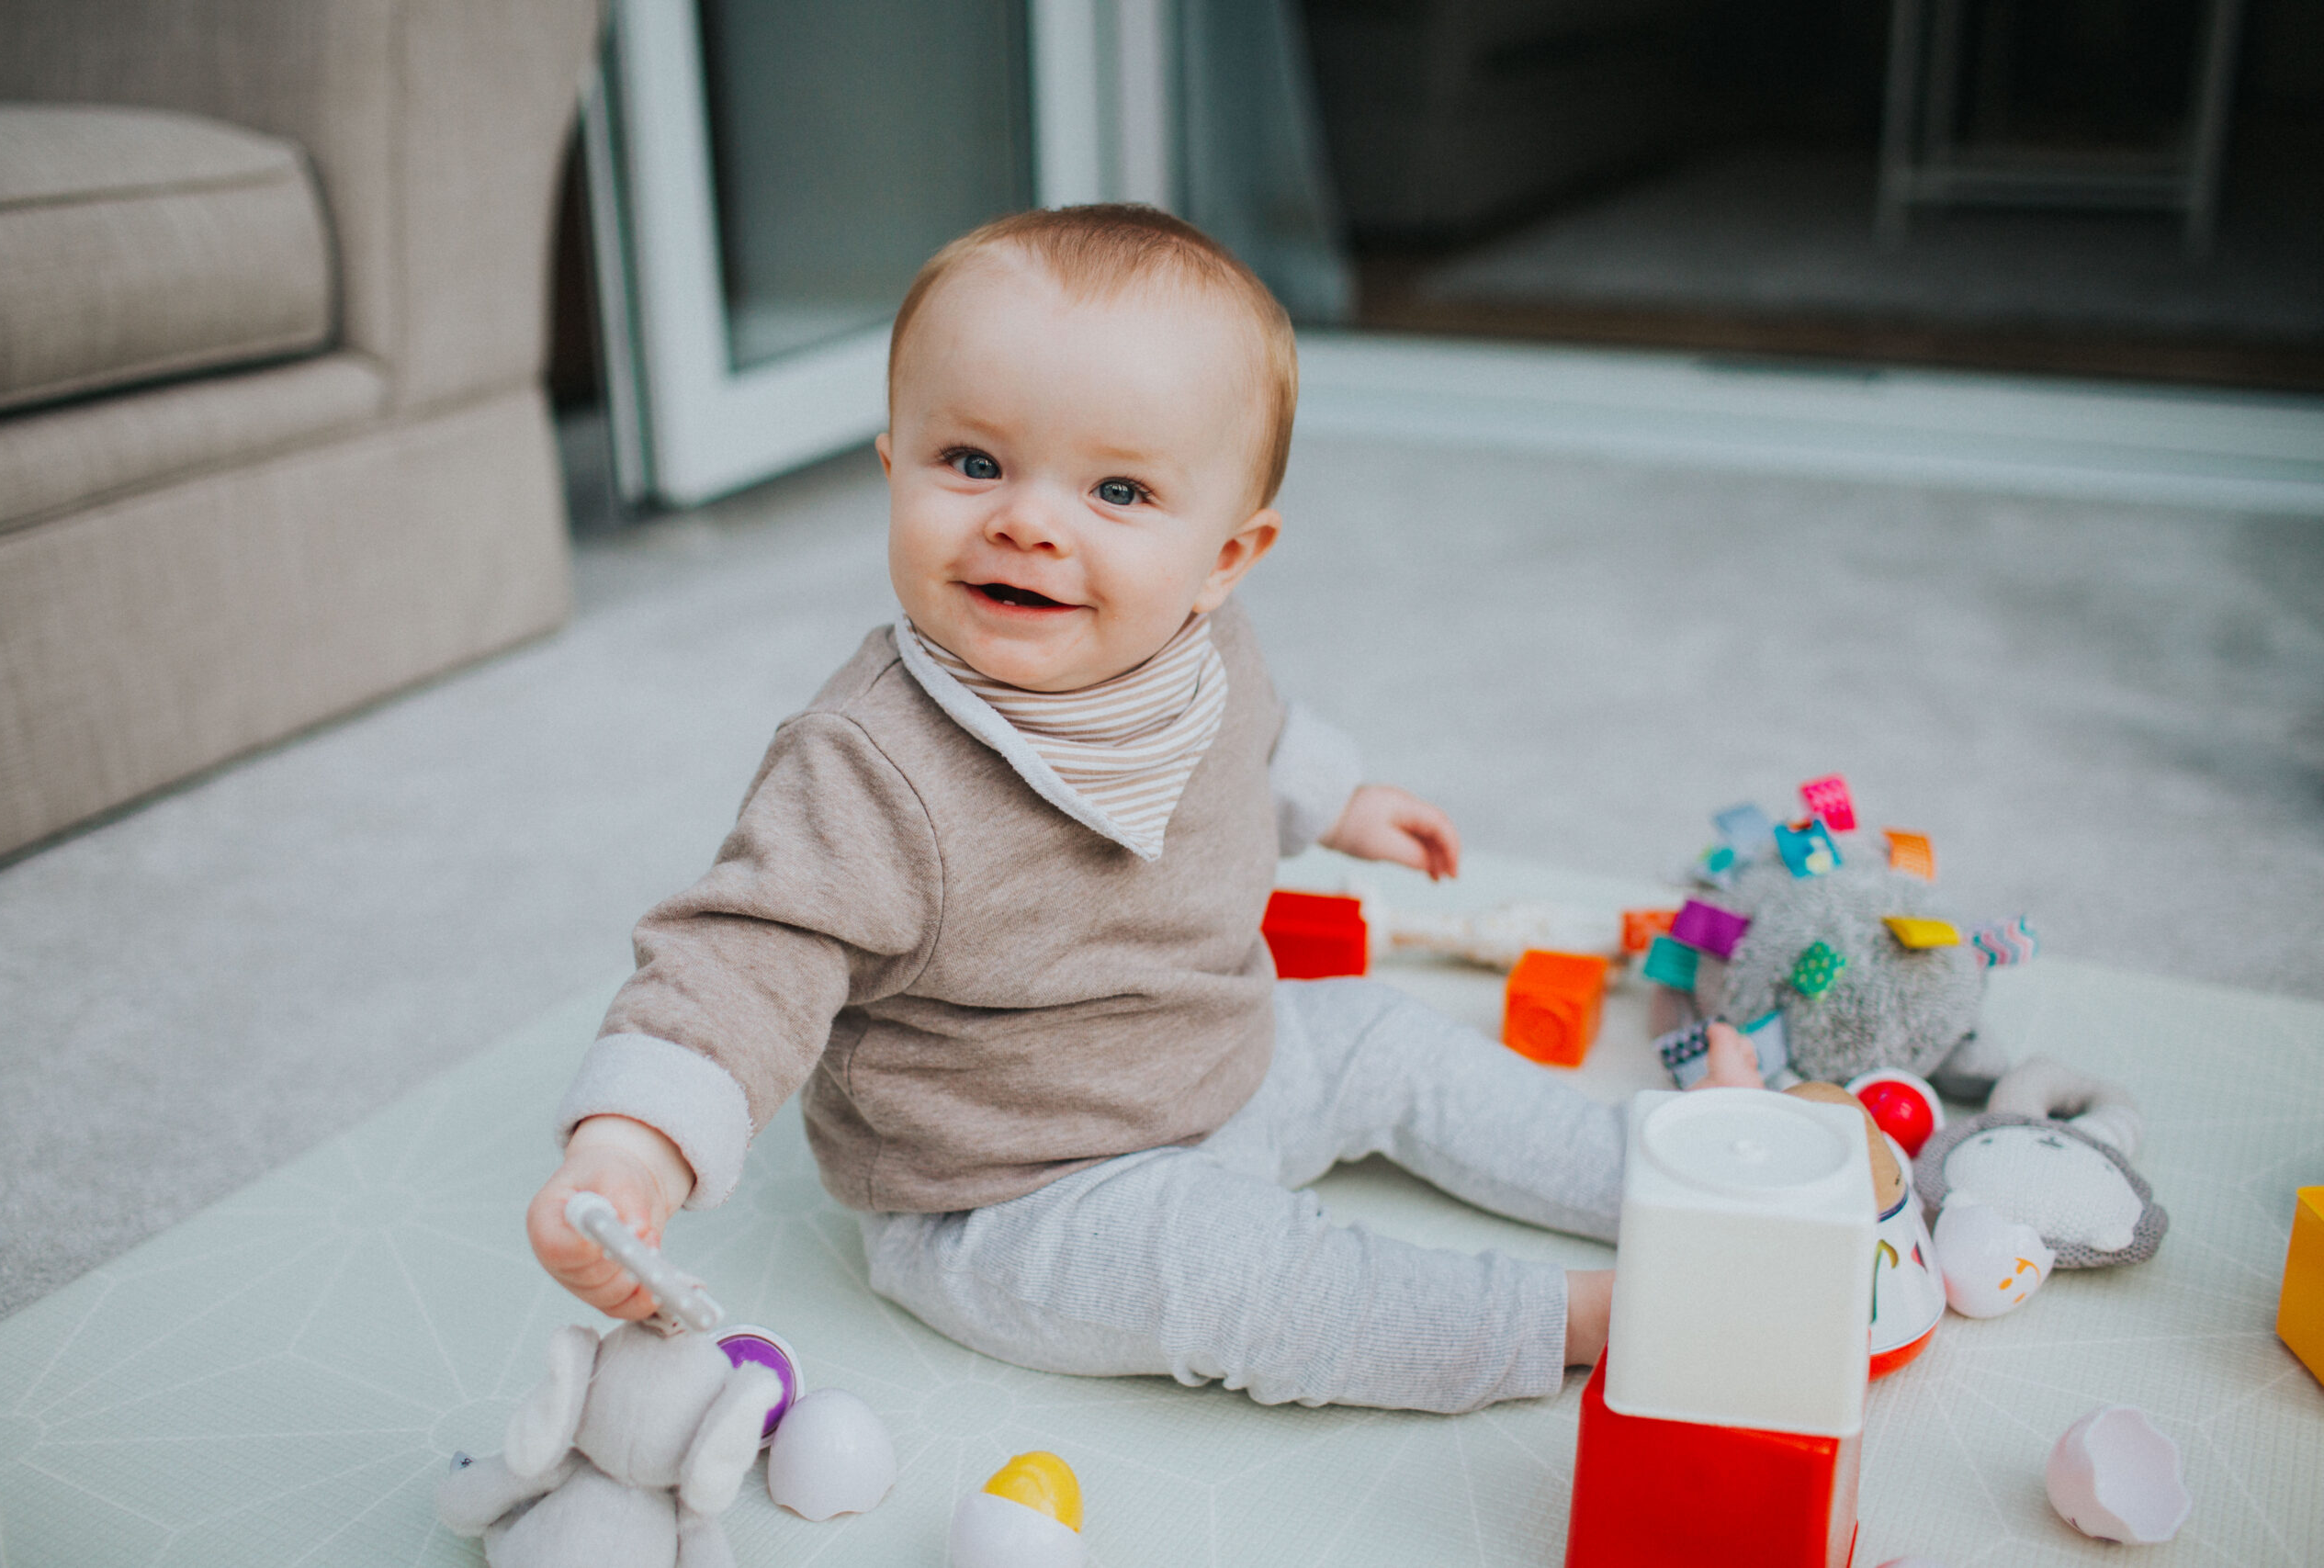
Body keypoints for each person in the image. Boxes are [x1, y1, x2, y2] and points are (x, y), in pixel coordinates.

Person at [525, 204, 1760, 1412]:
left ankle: (1653, 1172)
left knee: (1390, 1042)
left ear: (1224, 560)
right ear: (893, 464)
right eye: (972, 463)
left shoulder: (1204, 645)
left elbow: (1248, 736)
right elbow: (745, 957)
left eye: (1117, 492)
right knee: (1233, 1273)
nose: (1026, 520)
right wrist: (633, 1144)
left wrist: (1341, 800)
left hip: (1226, 1056)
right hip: (1010, 1197)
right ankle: (1551, 1322)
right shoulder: (866, 766)